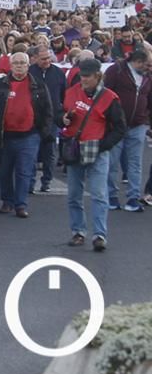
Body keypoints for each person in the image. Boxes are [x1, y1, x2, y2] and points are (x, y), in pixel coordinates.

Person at [0, 52, 55, 219]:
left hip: (30, 135)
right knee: (5, 170)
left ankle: (21, 204)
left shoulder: (38, 85)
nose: (19, 66)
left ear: (28, 66)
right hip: (5, 135)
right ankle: (7, 200)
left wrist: (44, 132)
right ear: (10, 66)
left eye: (22, 63)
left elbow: (48, 111)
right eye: (16, 63)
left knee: (24, 171)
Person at [61, 57, 126, 251]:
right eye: (82, 76)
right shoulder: (71, 92)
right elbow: (60, 112)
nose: (84, 80)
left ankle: (99, 235)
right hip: (75, 148)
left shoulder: (109, 98)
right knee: (74, 194)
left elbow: (120, 128)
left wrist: (103, 146)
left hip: (97, 151)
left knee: (98, 194)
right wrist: (61, 119)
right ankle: (78, 232)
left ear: (98, 76)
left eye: (87, 76)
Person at [102, 47, 150, 212]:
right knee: (113, 161)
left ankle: (133, 197)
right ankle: (111, 195)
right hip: (116, 125)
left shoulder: (147, 76)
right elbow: (105, 93)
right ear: (137, 62)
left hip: (138, 124)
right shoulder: (116, 70)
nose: (148, 68)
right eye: (146, 65)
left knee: (135, 163)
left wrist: (147, 119)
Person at [30, 45, 67, 194]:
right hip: (33, 117)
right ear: (35, 58)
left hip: (52, 118)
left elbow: (65, 94)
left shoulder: (58, 73)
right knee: (32, 150)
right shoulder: (30, 73)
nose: (47, 61)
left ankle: (47, 180)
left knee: (49, 151)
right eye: (43, 58)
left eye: (48, 58)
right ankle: (31, 182)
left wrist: (61, 114)